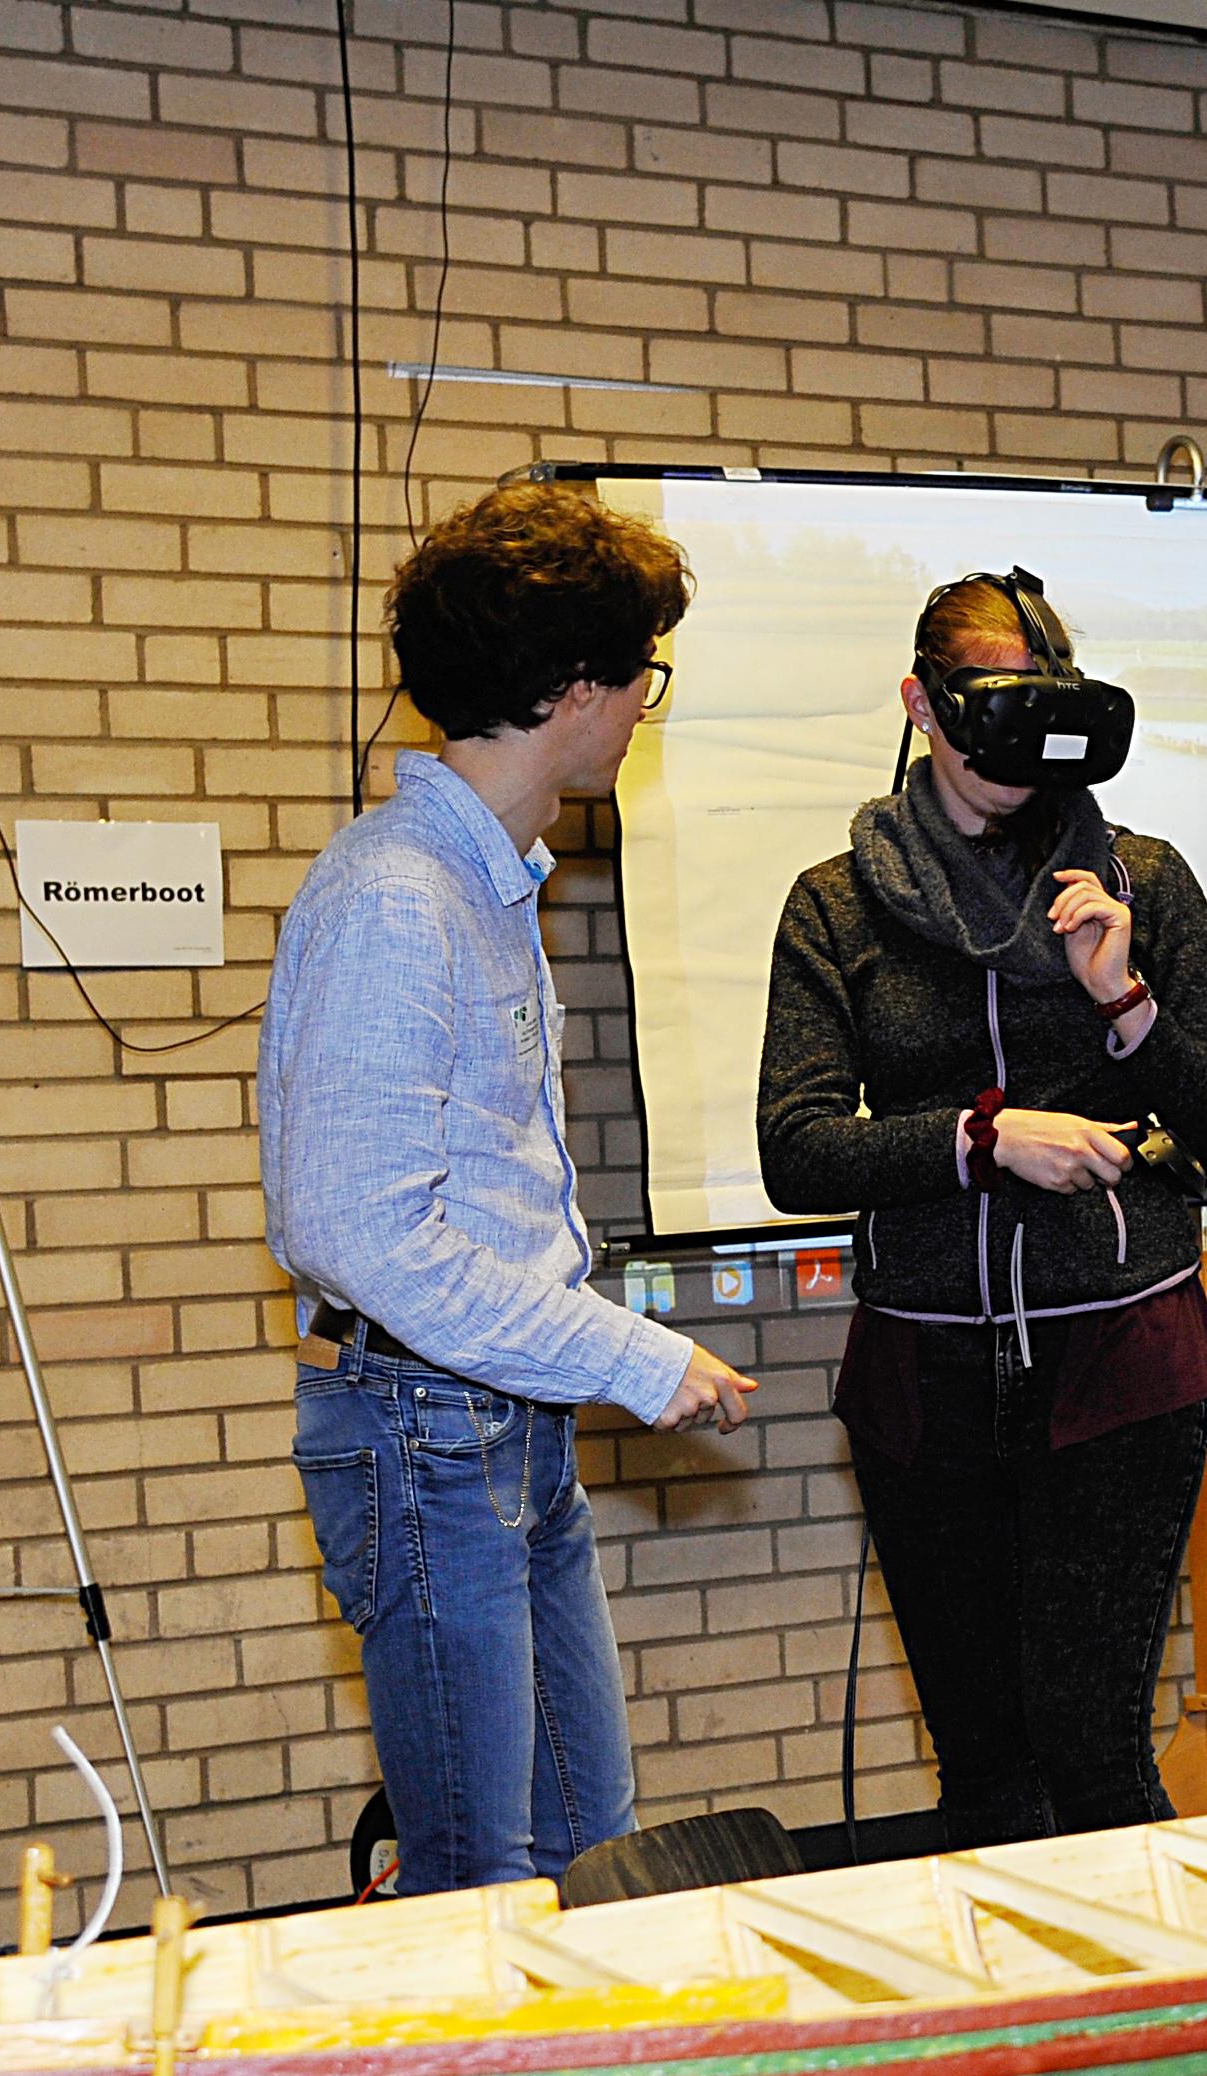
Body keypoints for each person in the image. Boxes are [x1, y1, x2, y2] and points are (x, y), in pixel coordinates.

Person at [262, 482, 756, 1892]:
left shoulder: (479, 882)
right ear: (574, 688)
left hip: (495, 1421)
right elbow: (357, 1230)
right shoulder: (396, 895)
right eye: (643, 676)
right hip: (426, 1433)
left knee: (590, 1854)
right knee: (483, 1878)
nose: (646, 708)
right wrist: (631, 1356)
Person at [758, 575, 1207, 1844]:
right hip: (924, 1381)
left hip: (1119, 1364)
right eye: (986, 701)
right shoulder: (837, 902)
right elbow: (798, 1150)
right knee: (987, 1768)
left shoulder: (1141, 881)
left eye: (1036, 702)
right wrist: (982, 1141)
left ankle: (1148, 1977)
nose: (1013, 740)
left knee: (1091, 1748)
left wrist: (1126, 1002)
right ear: (921, 703)